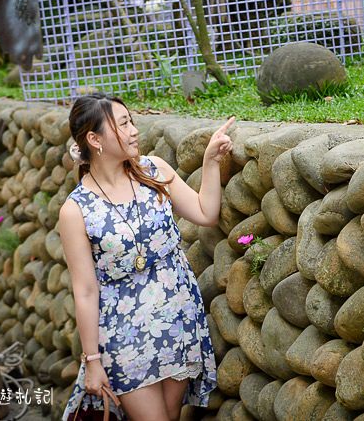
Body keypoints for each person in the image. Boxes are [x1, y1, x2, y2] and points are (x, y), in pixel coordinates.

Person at [58, 92, 234, 421]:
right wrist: (92, 361)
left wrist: (211, 161)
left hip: (177, 318)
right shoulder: (76, 210)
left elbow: (204, 211)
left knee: (169, 415)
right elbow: (84, 290)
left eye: (132, 121)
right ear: (94, 139)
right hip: (125, 336)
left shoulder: (153, 170)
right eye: (123, 124)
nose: (134, 130)